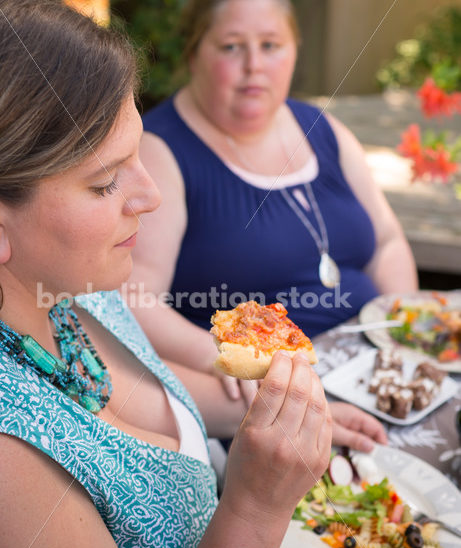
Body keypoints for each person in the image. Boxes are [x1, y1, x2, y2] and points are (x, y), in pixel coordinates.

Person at [0, 1, 332, 548]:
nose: (150, 196)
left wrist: (292, 416)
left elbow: (142, 400)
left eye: (138, 154)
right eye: (105, 181)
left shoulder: (63, 288)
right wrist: (256, 506)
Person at [127, 0, 417, 429]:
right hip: (274, 402)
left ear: (294, 51)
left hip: (380, 366)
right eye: (231, 47)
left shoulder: (323, 128)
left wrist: (402, 331)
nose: (254, 66)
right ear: (193, 53)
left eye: (271, 45)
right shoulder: (159, 151)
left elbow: (388, 241)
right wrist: (222, 358)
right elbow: (132, 300)